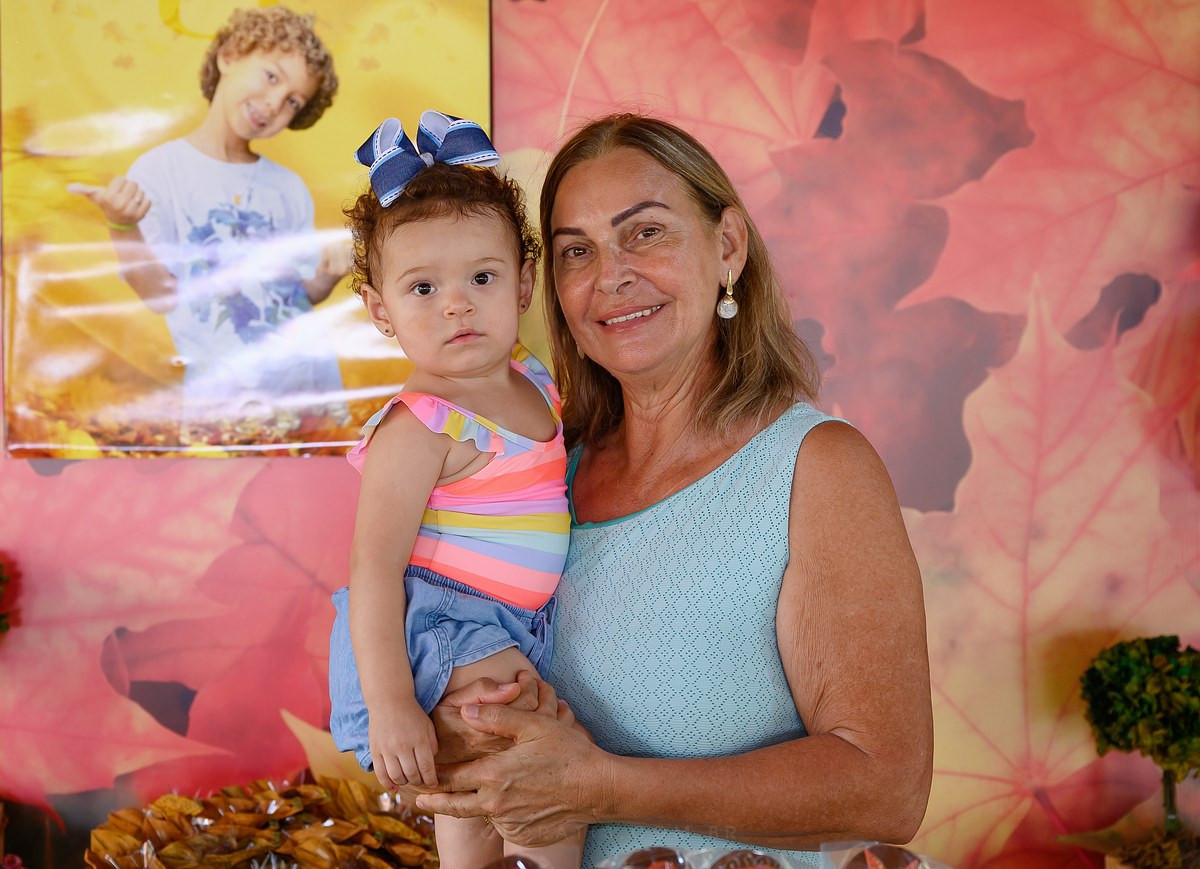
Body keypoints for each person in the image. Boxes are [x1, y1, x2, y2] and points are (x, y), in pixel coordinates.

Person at [411, 113, 935, 867]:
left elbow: (887, 788)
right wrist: (450, 723)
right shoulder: (540, 474)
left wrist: (604, 788)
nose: (611, 275)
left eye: (646, 233)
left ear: (728, 247)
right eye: (577, 251)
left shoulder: (816, 468)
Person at [327, 111, 582, 869]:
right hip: (450, 623)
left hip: (518, 624)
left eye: (482, 277)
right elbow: (373, 568)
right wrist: (392, 704)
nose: (456, 304)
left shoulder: (531, 377)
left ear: (524, 282)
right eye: (423, 287)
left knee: (479, 797)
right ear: (381, 310)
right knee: (545, 776)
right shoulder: (422, 425)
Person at [71, 5, 350, 444]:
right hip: (223, 401)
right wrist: (122, 226)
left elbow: (296, 296)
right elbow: (160, 296)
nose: (274, 103)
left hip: (308, 388)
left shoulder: (288, 188)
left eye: (293, 101)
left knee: (310, 479)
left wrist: (326, 278)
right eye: (271, 76)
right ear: (229, 55)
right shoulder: (161, 172)